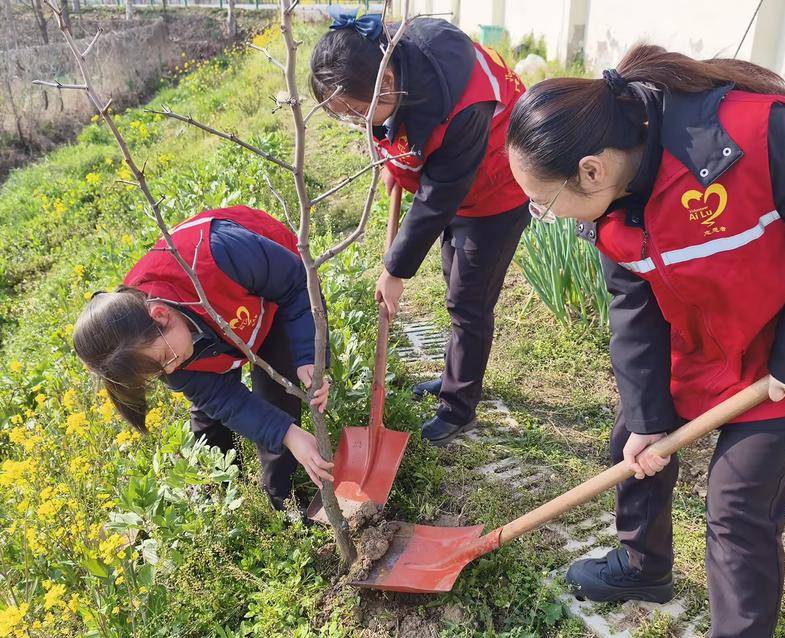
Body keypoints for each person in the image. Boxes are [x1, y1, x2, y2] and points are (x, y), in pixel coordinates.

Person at [505, 44, 785, 637]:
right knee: (636, 443)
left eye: (544, 202)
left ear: (590, 168)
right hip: (700, 346)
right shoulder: (611, 208)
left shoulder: (754, 135)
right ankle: (642, 566)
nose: (545, 213)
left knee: (739, 505)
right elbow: (632, 304)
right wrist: (645, 415)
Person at [309, 10, 530, 446]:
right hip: (455, 181)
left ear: (387, 83)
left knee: (469, 298)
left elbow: (440, 195)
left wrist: (395, 270)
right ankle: (454, 377)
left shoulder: (462, 99)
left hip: (496, 187)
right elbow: (399, 132)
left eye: (357, 112)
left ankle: (458, 406)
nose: (356, 121)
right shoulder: (377, 62)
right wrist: (396, 163)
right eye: (344, 116)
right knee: (455, 282)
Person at [73, 205, 333, 512]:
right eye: (158, 372)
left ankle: (283, 500)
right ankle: (220, 493)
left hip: (275, 296)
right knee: (212, 410)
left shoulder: (220, 253)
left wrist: (307, 358)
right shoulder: (152, 351)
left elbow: (296, 286)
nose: (170, 370)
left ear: (161, 315)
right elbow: (223, 399)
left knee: (280, 396)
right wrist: (286, 434)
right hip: (202, 327)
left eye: (165, 359)